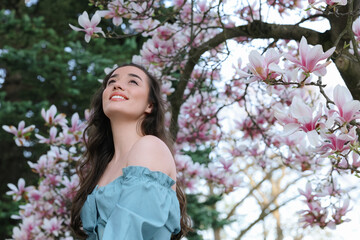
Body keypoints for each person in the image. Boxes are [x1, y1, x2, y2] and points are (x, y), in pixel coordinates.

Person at [70, 63, 191, 239]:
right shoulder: (102, 167)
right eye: (111, 82)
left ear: (150, 105)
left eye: (133, 82)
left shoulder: (149, 147)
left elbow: (127, 232)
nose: (116, 85)